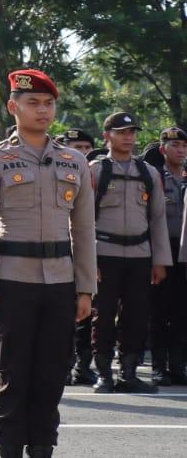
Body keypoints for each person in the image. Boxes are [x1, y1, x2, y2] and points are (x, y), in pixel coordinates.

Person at [0, 69, 91, 458]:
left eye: (48, 103)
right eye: (33, 102)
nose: (43, 110)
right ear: (13, 107)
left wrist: (86, 288)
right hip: (12, 283)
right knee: (13, 376)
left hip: (60, 283)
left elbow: (84, 228)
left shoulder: (74, 161)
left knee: (51, 377)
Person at [88, 112, 170, 394]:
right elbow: (82, 219)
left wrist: (159, 260)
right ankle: (103, 374)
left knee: (136, 316)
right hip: (104, 253)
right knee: (103, 315)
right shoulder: (96, 170)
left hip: (139, 254)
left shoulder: (149, 172)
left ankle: (129, 373)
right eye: (122, 132)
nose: (128, 137)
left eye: (132, 132)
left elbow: (158, 218)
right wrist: (88, 260)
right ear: (106, 135)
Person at [55, 127, 98, 385]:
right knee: (61, 320)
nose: (81, 152)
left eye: (85, 147)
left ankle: (83, 365)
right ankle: (63, 366)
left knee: (84, 315)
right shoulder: (55, 170)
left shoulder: (93, 174)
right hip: (57, 257)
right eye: (76, 147)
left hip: (83, 255)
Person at [152, 127, 187, 385]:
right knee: (159, 310)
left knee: (181, 311)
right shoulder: (155, 177)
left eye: (184, 146)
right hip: (162, 251)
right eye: (175, 146)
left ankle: (177, 366)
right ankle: (158, 366)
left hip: (184, 252)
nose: (181, 150)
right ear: (163, 148)